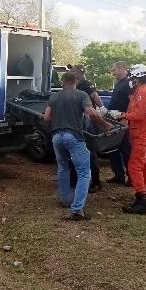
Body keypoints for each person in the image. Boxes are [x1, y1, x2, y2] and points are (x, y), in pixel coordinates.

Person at [44, 71, 113, 221]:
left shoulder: (54, 96)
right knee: (83, 173)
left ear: (62, 83)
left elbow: (47, 118)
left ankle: (65, 200)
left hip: (56, 137)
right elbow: (91, 113)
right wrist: (106, 124)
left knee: (63, 168)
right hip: (73, 136)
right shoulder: (81, 95)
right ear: (75, 81)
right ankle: (77, 210)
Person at [118, 64, 146, 215]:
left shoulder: (143, 92)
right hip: (144, 133)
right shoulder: (141, 91)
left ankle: (141, 201)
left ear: (138, 77)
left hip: (144, 134)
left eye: (132, 77)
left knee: (134, 167)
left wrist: (121, 115)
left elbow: (139, 115)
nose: (131, 79)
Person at [68, 65, 104, 193]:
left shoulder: (86, 85)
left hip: (88, 122)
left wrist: (102, 108)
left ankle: (96, 181)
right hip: (76, 122)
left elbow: (95, 97)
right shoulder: (72, 84)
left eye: (73, 70)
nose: (71, 72)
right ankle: (74, 179)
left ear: (79, 73)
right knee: (73, 151)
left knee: (90, 151)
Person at [107, 61, 132, 185]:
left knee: (126, 149)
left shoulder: (128, 83)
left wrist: (126, 118)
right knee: (113, 148)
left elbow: (132, 103)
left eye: (114, 70)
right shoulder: (118, 84)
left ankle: (131, 177)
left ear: (123, 68)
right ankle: (118, 175)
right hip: (114, 121)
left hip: (123, 122)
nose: (113, 72)